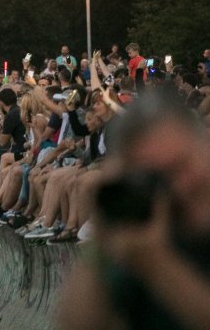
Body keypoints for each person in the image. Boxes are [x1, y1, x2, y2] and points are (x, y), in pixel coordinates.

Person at [58, 94, 210, 330]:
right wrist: (106, 222)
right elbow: (79, 323)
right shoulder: (148, 232)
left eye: (181, 165)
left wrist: (155, 262)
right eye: (158, 175)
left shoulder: (152, 250)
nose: (179, 185)